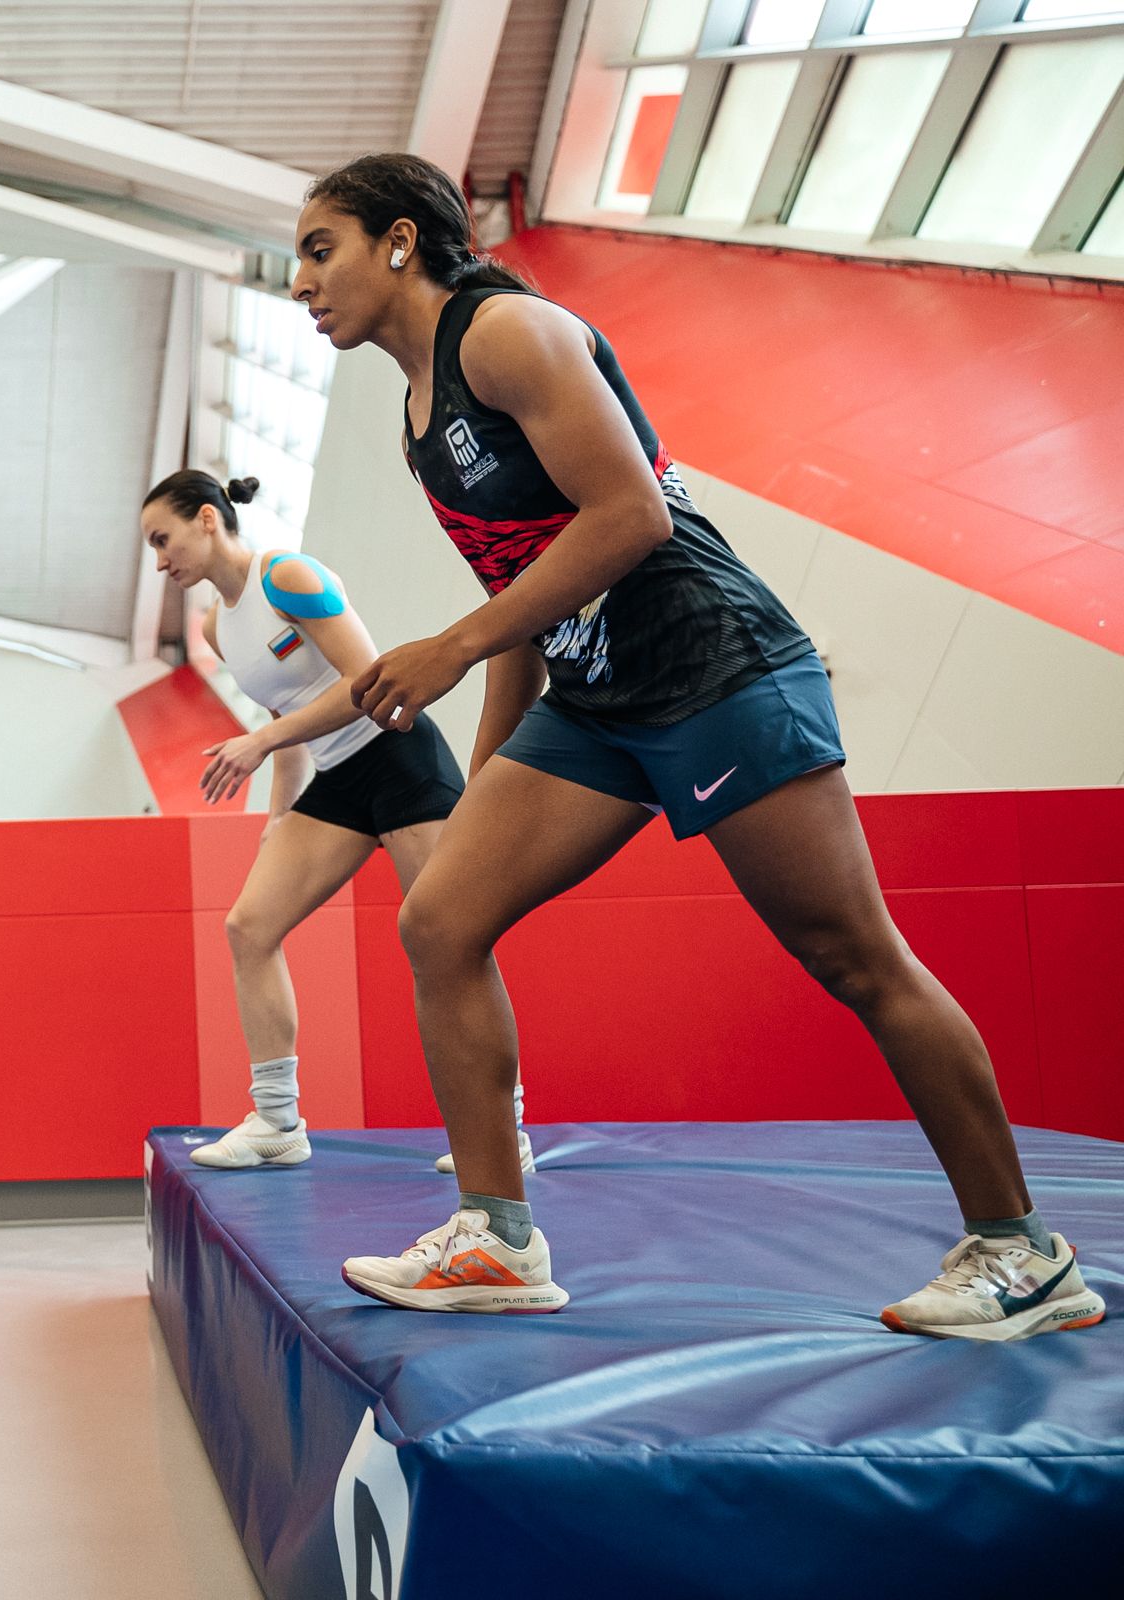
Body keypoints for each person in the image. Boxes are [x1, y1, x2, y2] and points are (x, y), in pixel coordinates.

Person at [294, 152, 1101, 1341]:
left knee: (854, 957)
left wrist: (449, 646)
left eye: (321, 249)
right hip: (595, 698)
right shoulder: (420, 423)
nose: (300, 282)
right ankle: (496, 1238)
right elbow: (521, 594)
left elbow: (631, 515)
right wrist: (490, 769)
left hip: (716, 667)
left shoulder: (505, 333)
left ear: (401, 241)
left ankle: (1021, 1251)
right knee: (441, 917)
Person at [141, 469, 530, 1174]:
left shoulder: (288, 577)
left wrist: (263, 742)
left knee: (448, 942)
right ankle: (277, 1122)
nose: (160, 560)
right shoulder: (217, 627)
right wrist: (279, 814)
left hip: (401, 757)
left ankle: (503, 1131)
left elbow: (368, 679)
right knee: (249, 928)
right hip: (338, 779)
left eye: (163, 539)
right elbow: (284, 716)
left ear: (207, 518)